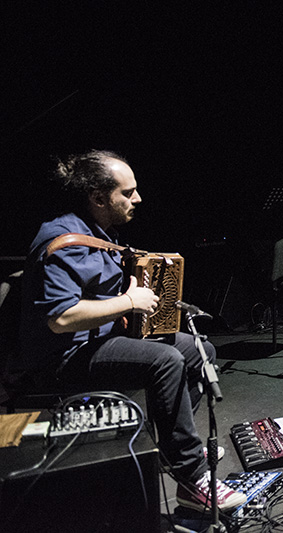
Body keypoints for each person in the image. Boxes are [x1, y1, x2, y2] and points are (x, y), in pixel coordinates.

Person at [19, 149, 246, 512]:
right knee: (164, 360)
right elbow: (60, 319)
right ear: (97, 197)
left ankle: (174, 448)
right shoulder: (62, 240)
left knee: (199, 350)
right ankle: (192, 476)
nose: (137, 199)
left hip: (102, 340)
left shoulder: (98, 233)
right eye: (127, 192)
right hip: (64, 358)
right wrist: (129, 302)